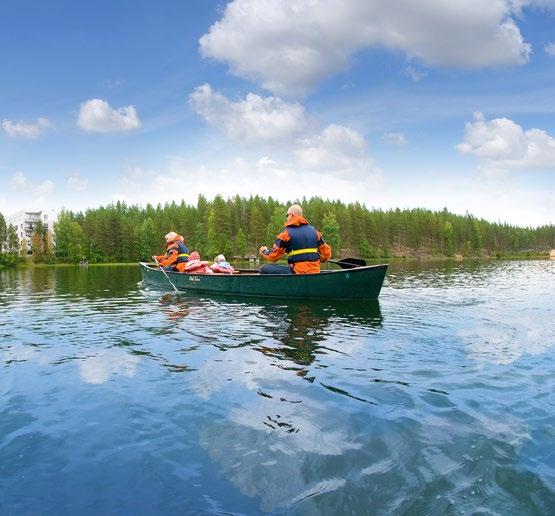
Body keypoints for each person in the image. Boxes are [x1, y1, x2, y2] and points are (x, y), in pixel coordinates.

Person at [258, 204, 331, 274]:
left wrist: (264, 251)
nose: (286, 218)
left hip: (297, 273)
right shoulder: (315, 232)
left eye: (287, 215)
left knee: (263, 268)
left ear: (292, 215)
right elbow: (326, 255)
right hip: (315, 272)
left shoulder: (286, 234)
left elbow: (274, 256)